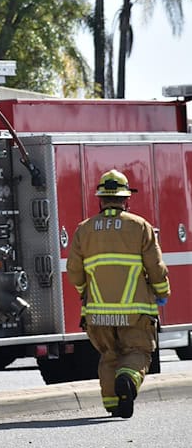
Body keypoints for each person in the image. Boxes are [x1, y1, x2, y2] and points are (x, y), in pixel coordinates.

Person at [66, 169, 170, 419]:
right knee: (138, 352)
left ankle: (113, 403)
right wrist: (162, 292)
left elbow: (74, 271)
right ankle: (127, 380)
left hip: (98, 313)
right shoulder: (140, 227)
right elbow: (155, 268)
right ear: (127, 200)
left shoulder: (84, 229)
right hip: (135, 311)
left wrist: (85, 293)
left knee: (109, 355)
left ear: (100, 200)